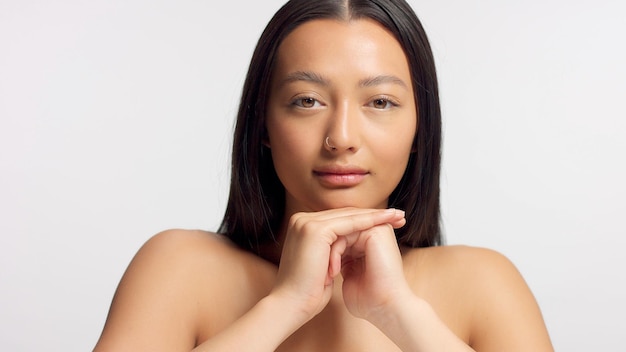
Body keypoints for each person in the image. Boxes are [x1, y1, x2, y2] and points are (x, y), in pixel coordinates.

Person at [94, 0, 554, 351]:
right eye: (307, 100)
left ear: (420, 129)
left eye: (380, 102)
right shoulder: (181, 267)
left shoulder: (482, 282)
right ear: (264, 126)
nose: (342, 137)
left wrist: (400, 313)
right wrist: (284, 305)